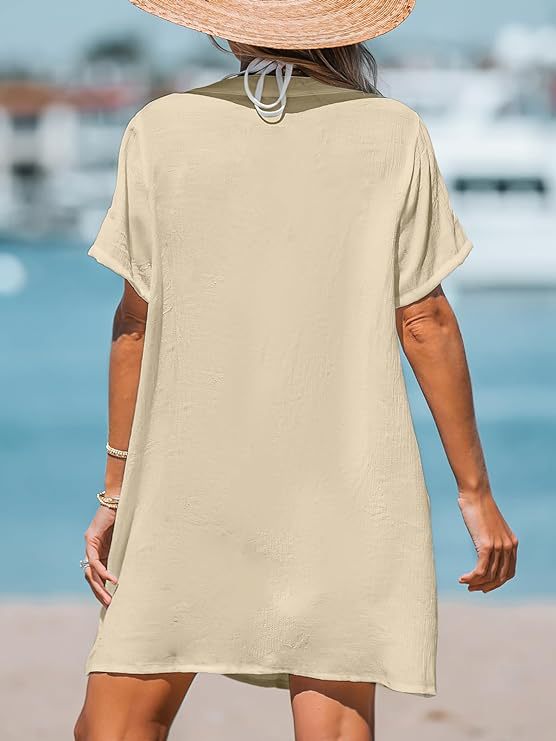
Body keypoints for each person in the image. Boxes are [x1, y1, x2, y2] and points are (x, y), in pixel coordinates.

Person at [74, 1, 519, 739]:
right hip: (344, 488)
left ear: (227, 25)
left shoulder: (161, 130)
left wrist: (116, 490)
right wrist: (475, 495)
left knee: (114, 728)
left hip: (187, 487)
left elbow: (135, 326)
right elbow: (425, 322)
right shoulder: (392, 132)